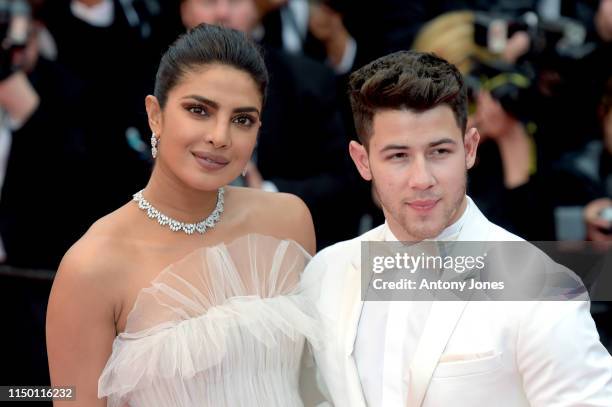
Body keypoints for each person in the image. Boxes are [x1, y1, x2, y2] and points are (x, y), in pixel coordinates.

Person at [302, 50, 612, 406]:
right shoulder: (326, 272)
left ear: (469, 149)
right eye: (398, 156)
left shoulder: (542, 288)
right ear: (362, 161)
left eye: (439, 152)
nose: (422, 179)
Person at [46, 24, 324, 407]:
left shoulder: (288, 219)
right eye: (199, 110)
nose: (219, 136)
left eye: (242, 119)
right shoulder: (92, 266)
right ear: (154, 115)